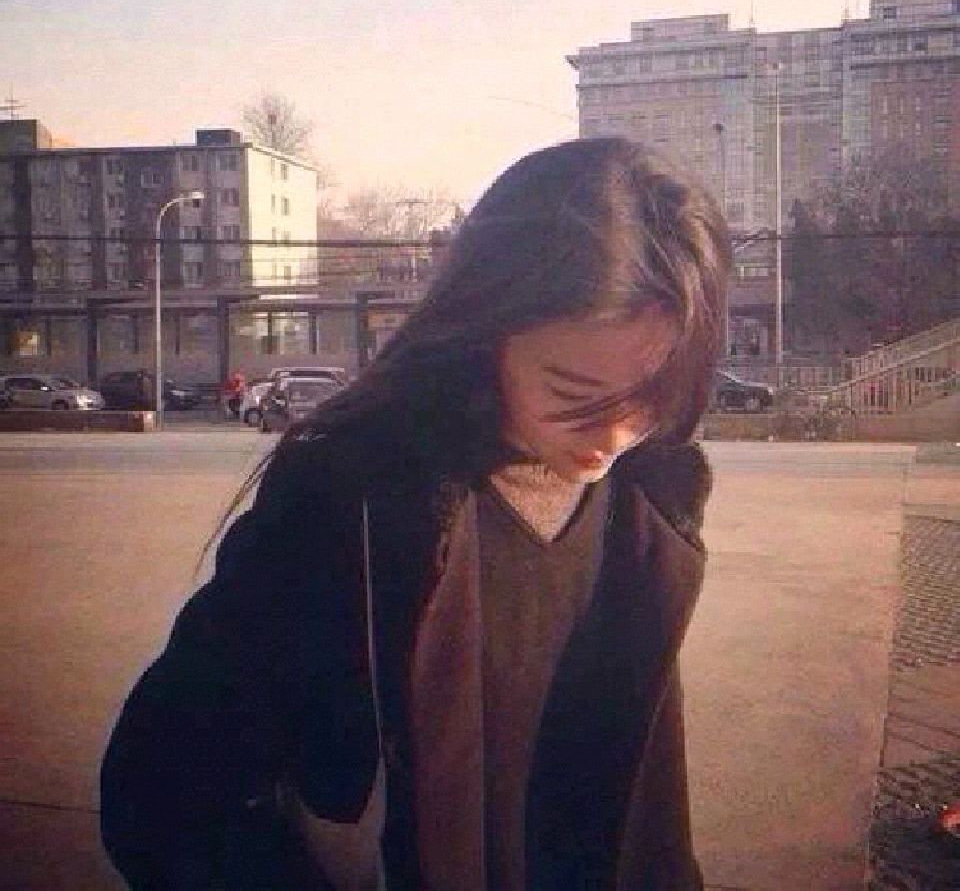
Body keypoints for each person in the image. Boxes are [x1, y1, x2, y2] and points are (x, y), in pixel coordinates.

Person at [100, 137, 731, 890]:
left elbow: (649, 812)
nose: (614, 437)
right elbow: (161, 788)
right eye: (573, 396)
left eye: (649, 400)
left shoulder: (649, 503)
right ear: (487, 331)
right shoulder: (355, 501)